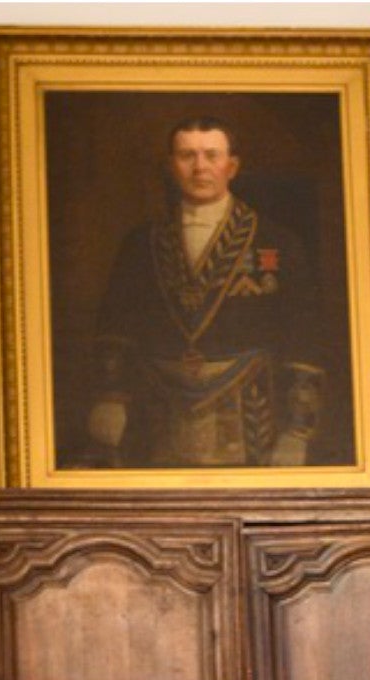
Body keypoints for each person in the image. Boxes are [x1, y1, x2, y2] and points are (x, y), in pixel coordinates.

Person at [85, 115, 325, 468]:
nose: (200, 168)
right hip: (155, 417)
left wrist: (298, 431)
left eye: (211, 155)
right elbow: (116, 322)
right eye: (187, 156)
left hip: (255, 419)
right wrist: (111, 396)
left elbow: (304, 335)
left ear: (232, 166)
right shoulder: (141, 243)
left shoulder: (278, 242)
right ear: (171, 166)